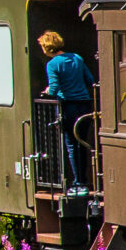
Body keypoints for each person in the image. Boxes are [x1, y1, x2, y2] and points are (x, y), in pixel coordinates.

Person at [40, 30, 94, 195]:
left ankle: (78, 184)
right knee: (82, 143)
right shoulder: (77, 58)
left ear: (47, 48)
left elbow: (54, 89)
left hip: (69, 107)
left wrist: (48, 90)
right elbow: (90, 80)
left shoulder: (53, 64)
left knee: (72, 145)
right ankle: (84, 182)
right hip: (85, 106)